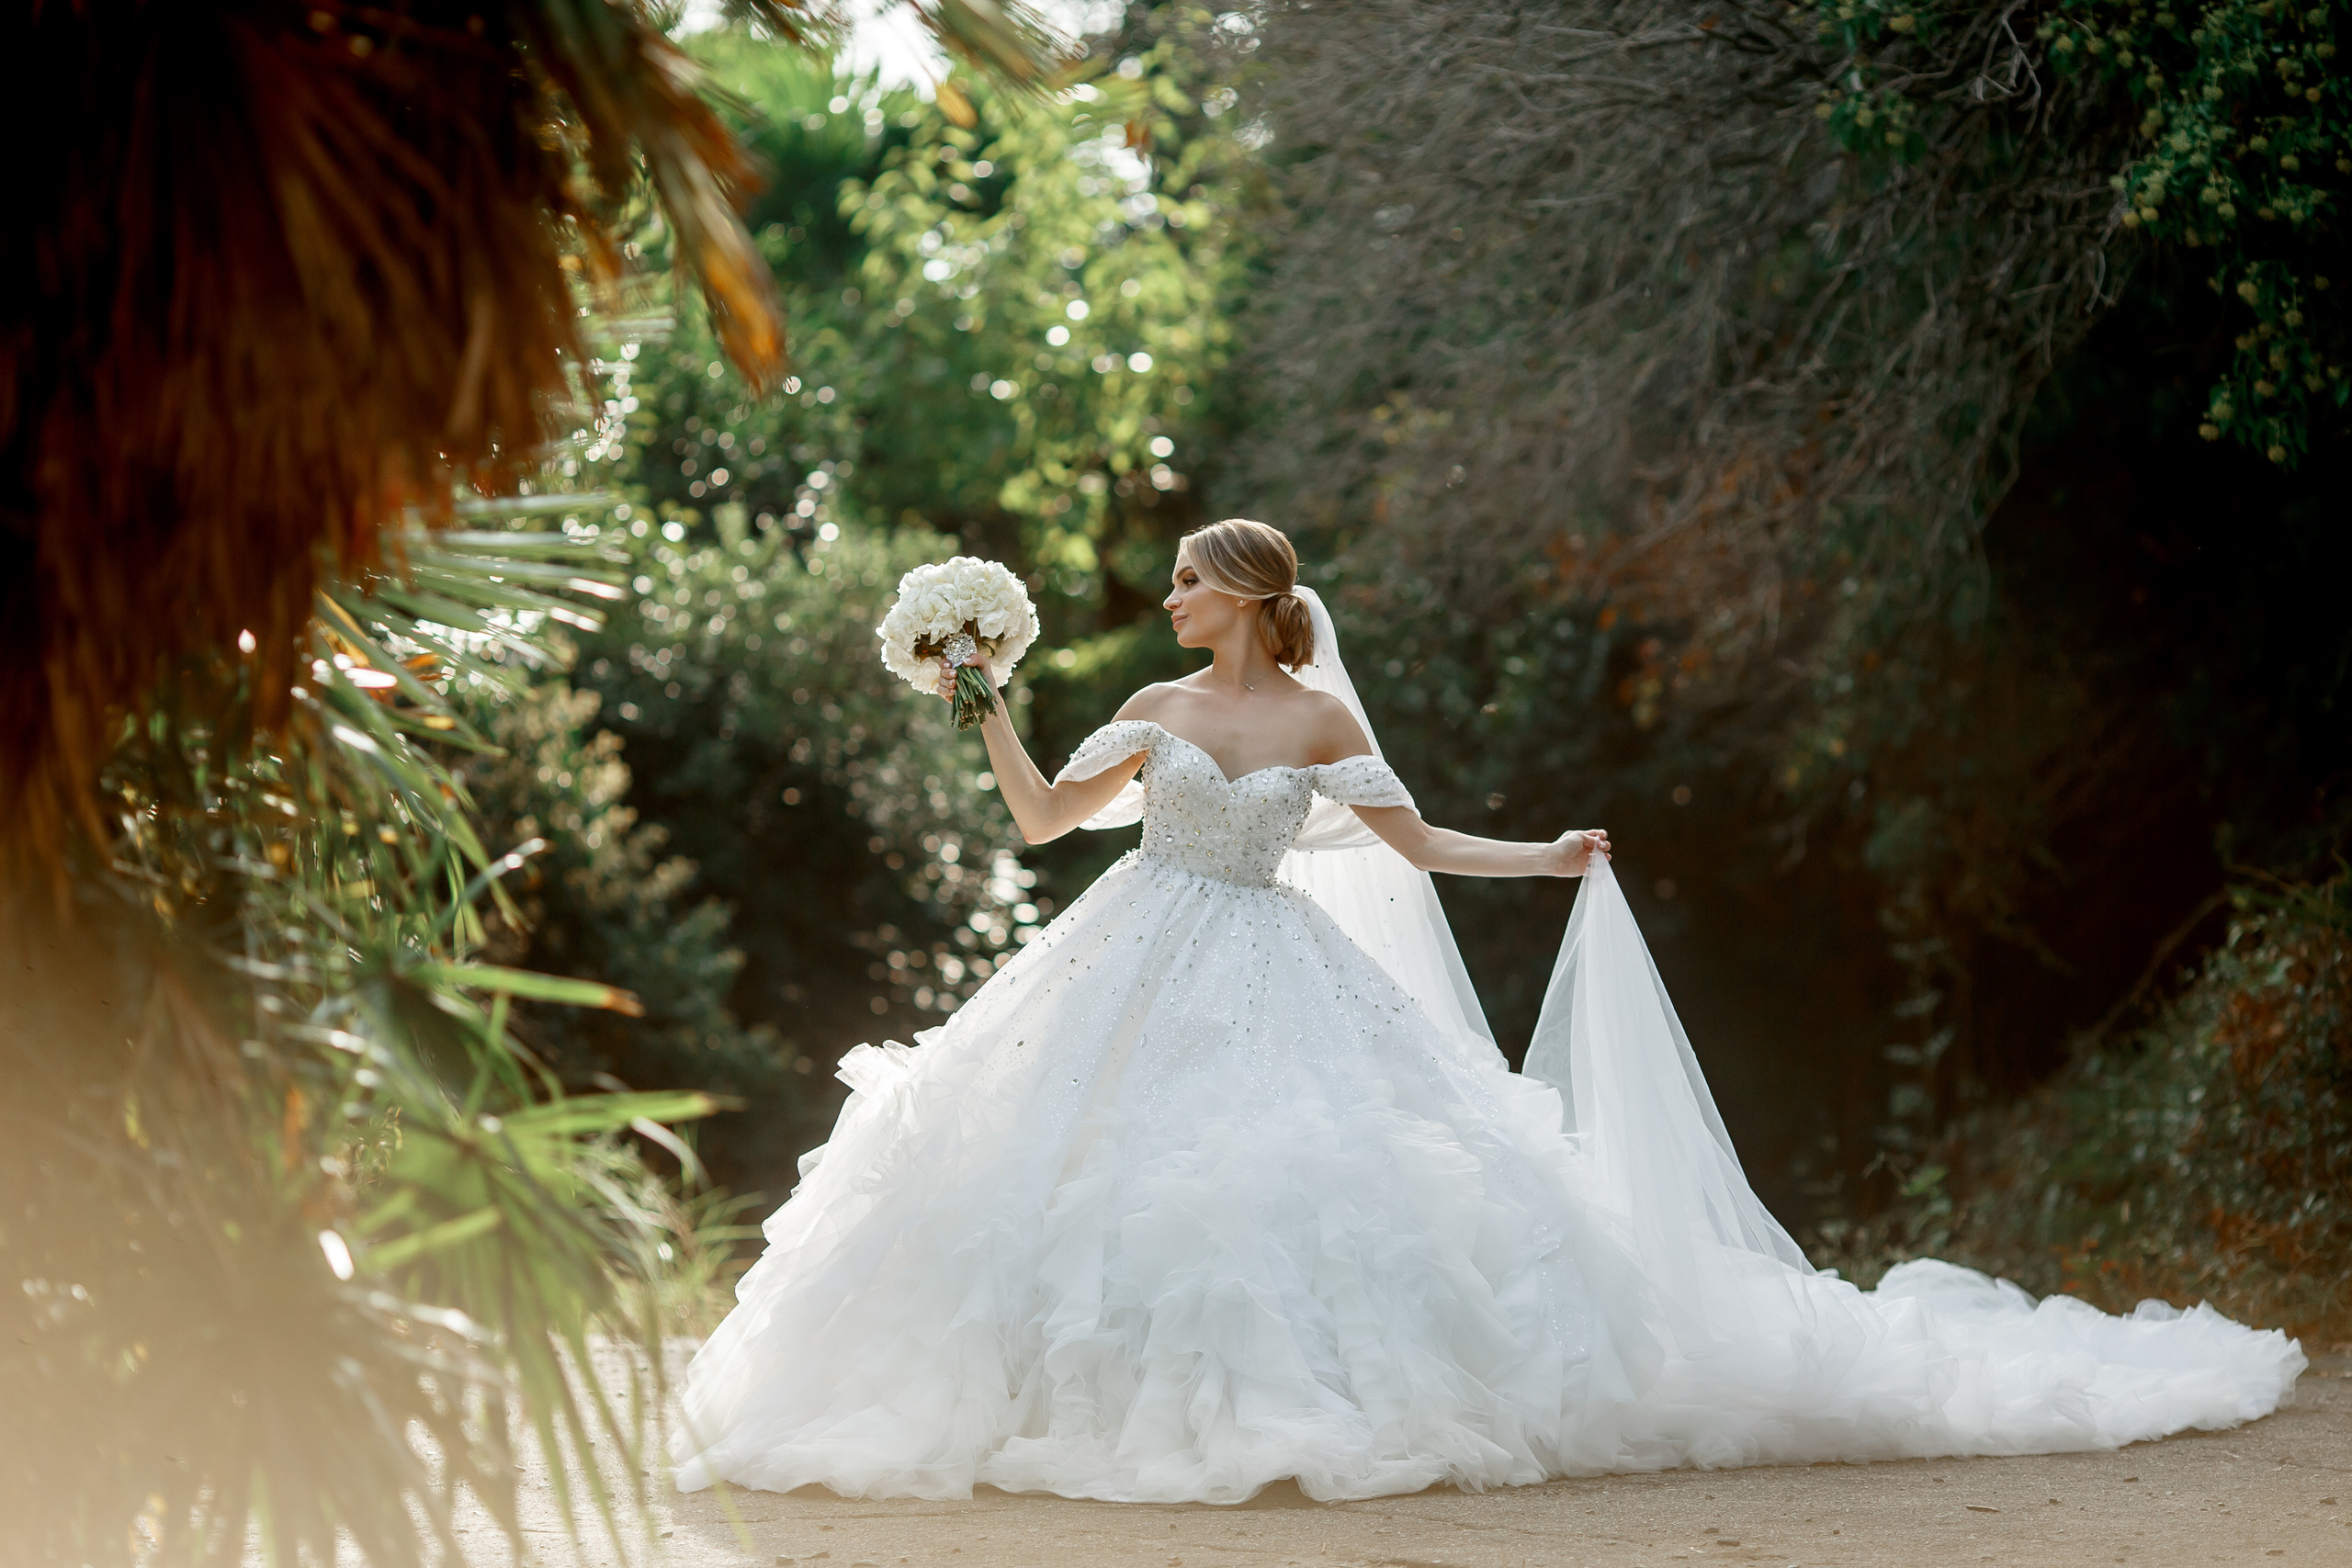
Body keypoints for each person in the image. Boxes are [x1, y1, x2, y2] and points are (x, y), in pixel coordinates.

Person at [669, 519, 2303, 1505]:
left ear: (1242, 594)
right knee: (1078, 1173)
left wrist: (1549, 854)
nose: (1163, 598)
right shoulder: (1153, 708)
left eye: (1184, 581)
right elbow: (1036, 825)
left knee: (1300, 1191)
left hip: (1264, 956)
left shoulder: (1314, 716)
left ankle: (1312, 1409)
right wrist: (986, 708)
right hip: (1130, 953)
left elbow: (1423, 842)